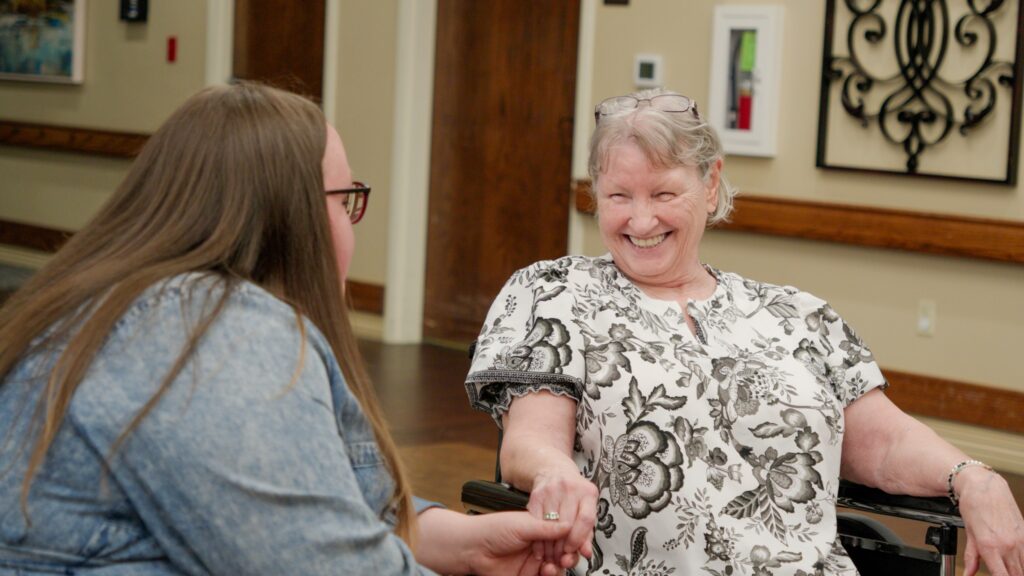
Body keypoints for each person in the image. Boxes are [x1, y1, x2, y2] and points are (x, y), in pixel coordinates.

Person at [0, 83, 582, 575]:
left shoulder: (127, 305)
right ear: (291, 215)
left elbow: (333, 504)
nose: (352, 224)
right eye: (346, 199)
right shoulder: (209, 337)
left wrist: (462, 541)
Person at [465, 88, 1024, 576]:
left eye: (663, 195)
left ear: (710, 185)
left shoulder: (796, 315)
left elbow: (886, 443)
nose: (639, 221)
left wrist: (974, 478)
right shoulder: (554, 292)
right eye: (618, 196)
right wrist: (554, 473)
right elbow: (530, 442)